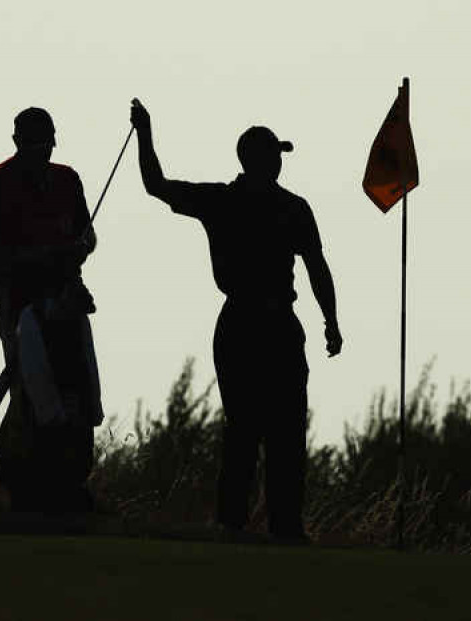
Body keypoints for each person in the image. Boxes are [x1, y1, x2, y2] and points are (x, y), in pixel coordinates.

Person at [129, 98, 343, 542]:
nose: (279, 165)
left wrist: (331, 320)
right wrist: (145, 132)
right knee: (254, 429)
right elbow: (156, 184)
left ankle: (266, 525)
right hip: (256, 324)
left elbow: (317, 267)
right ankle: (245, 525)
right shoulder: (267, 204)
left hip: (263, 325)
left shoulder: (237, 202)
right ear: (259, 160)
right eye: (275, 157)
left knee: (274, 430)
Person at [0, 107, 103, 515]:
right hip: (17, 302)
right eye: (34, 143)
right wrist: (25, 259)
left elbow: (85, 233)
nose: (43, 150)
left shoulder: (67, 180)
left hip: (65, 298)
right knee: (30, 384)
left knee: (75, 384)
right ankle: (25, 483)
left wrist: (80, 248)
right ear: (18, 142)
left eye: (47, 143)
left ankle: (69, 481)